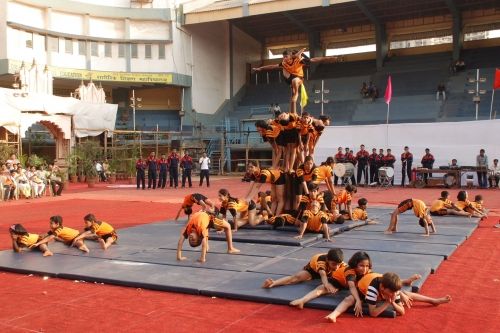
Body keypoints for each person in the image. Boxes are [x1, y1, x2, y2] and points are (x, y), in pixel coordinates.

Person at [325, 272, 450, 322]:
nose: (392, 295)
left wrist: (394, 301)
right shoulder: (372, 290)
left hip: (381, 279)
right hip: (362, 288)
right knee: (349, 299)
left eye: (394, 292)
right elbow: (373, 313)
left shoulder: (392, 291)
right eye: (391, 293)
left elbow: (402, 312)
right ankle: (334, 314)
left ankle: (433, 300)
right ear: (383, 289)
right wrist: (387, 303)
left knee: (405, 294)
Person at [262, 248, 345, 290]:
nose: (337, 267)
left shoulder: (338, 262)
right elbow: (323, 275)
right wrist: (326, 285)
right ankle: (274, 283)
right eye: (334, 264)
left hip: (328, 272)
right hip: (313, 271)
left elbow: (348, 270)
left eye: (338, 264)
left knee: (341, 275)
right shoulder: (321, 260)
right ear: (327, 260)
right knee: (296, 278)